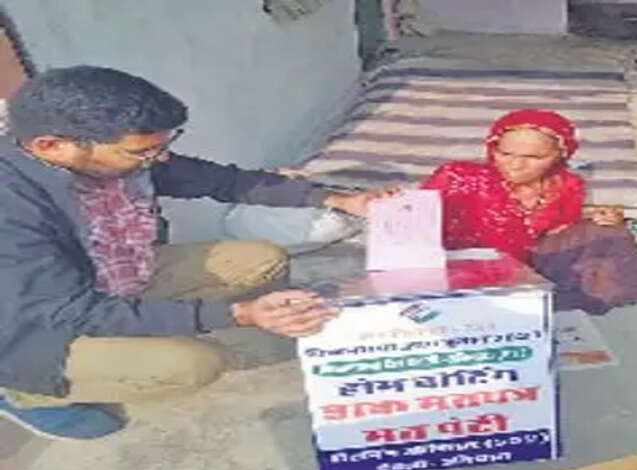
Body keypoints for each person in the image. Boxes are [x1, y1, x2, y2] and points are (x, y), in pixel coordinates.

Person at [0, 66, 390, 439]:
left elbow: (222, 181)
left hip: (105, 276)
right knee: (193, 364)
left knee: (259, 261)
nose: (159, 159)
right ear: (52, 146)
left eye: (163, 146)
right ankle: (23, 393)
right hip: (31, 328)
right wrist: (239, 314)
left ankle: (130, 331)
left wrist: (336, 199)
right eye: (142, 152)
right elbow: (71, 311)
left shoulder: (113, 157)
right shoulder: (12, 211)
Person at [420, 109, 637, 331]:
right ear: (492, 148)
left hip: (529, 260)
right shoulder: (458, 176)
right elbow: (412, 214)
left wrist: (602, 219)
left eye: (533, 158)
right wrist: (385, 201)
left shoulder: (567, 185)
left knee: (606, 231)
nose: (515, 165)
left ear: (561, 155)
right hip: (468, 266)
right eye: (505, 153)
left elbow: (555, 231)